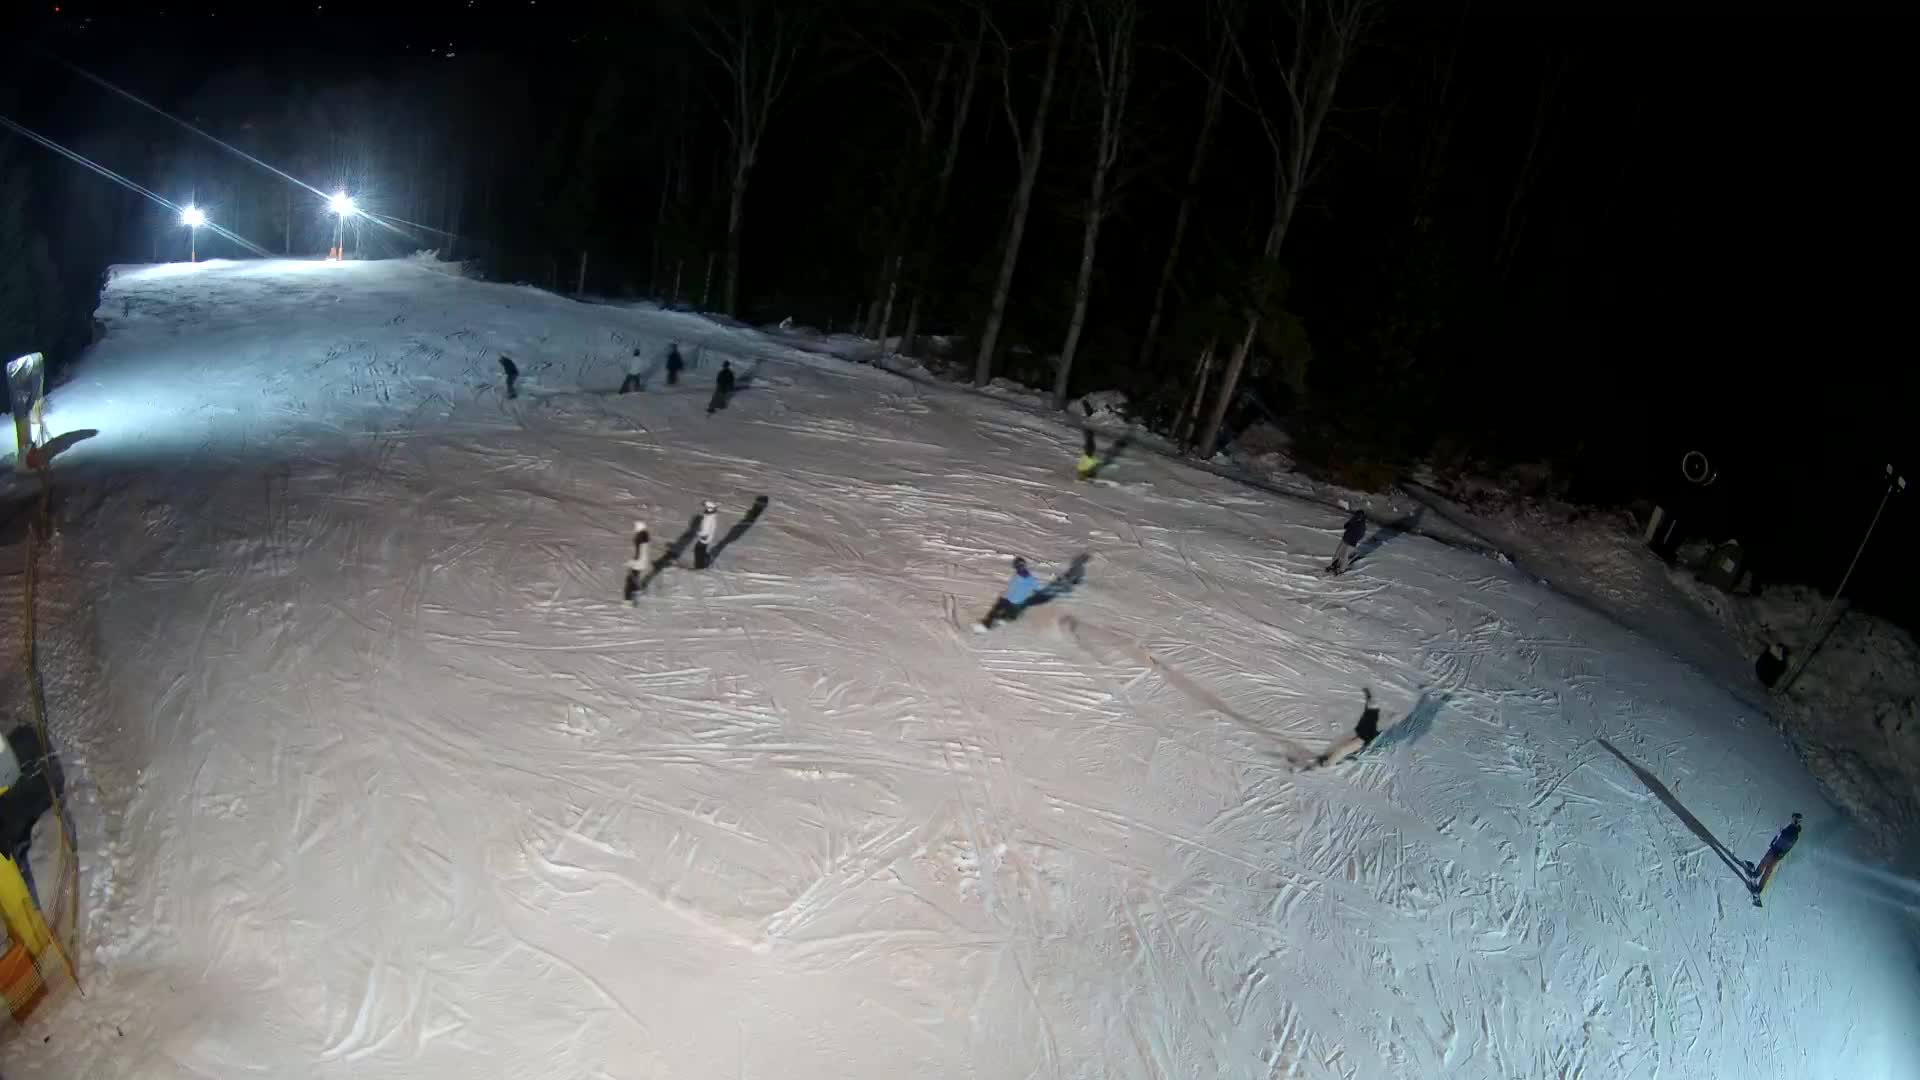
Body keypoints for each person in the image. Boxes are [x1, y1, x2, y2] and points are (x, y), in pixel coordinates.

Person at [1314, 689, 1382, 767]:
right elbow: (1342, 751)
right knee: (1369, 720)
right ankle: (1370, 704)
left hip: (1360, 737)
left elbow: (1342, 750)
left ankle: (1370, 704)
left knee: (1368, 720)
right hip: (1361, 738)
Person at [976, 557, 1041, 632]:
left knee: (1000, 610)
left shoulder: (1025, 578)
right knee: (1001, 610)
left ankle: (990, 624)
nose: (1018, 568)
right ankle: (997, 621)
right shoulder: (1027, 578)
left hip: (1013, 601)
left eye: (1018, 566)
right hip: (1012, 600)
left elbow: (1036, 589)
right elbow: (1036, 589)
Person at [1747, 813, 1802, 898]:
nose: (1793, 820)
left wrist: (1782, 852)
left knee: (1768, 869)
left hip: (1779, 852)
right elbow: (1779, 834)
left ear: (1798, 821)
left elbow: (1789, 845)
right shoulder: (1789, 826)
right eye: (1793, 818)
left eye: (1795, 819)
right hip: (1775, 847)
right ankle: (1756, 874)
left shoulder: (1795, 833)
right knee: (1765, 861)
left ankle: (1759, 888)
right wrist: (1773, 841)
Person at [1327, 509, 1367, 576]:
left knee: (1345, 556)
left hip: (1351, 543)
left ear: (1362, 517)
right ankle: (1334, 565)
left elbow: (1360, 536)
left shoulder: (1362, 525)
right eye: (1357, 515)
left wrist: (1353, 540)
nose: (1357, 517)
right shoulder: (1353, 520)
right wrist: (1351, 522)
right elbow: (1346, 526)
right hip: (1345, 539)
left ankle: (1341, 570)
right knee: (1338, 553)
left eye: (1359, 516)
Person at [693, 501, 719, 569]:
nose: (704, 508)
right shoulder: (710, 516)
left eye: (705, 507)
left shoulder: (709, 518)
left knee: (698, 550)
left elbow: (706, 530)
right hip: (707, 537)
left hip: (705, 537)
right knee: (700, 550)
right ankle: (705, 559)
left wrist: (698, 533)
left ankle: (699, 567)